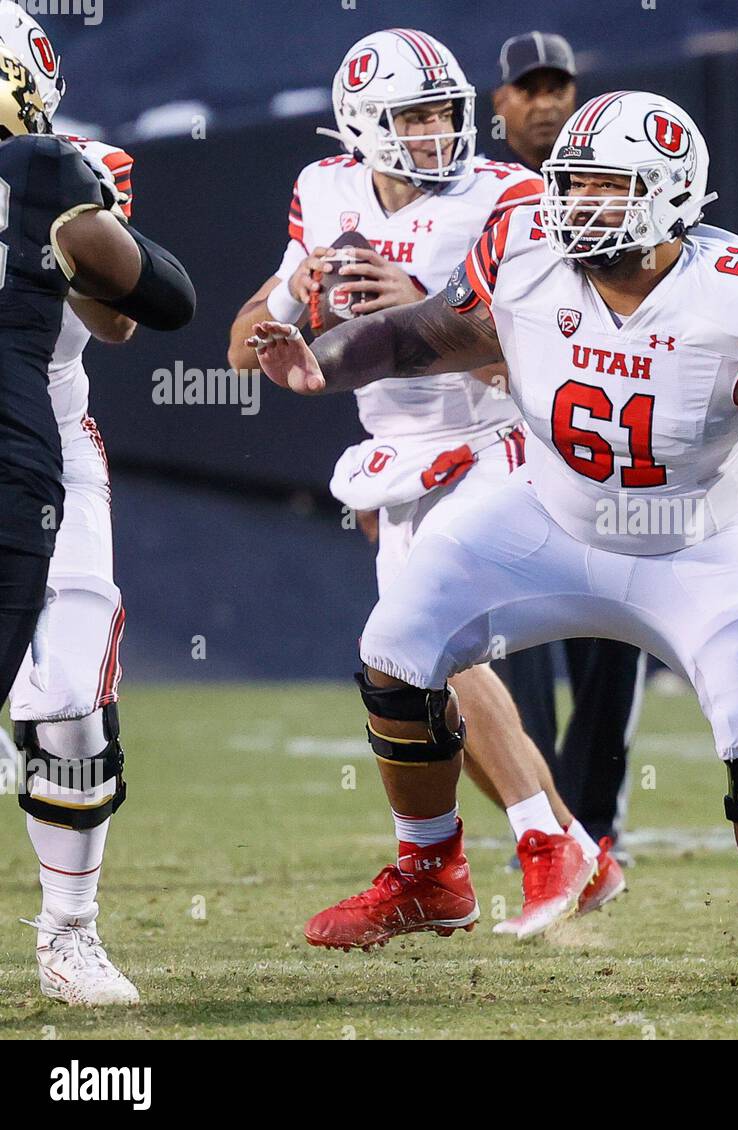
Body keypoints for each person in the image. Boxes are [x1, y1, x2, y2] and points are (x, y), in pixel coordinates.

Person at [250, 90, 738, 988]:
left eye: (604, 187)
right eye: (571, 183)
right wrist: (330, 361)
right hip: (547, 511)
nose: (575, 205)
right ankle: (433, 873)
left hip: (698, 541)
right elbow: (433, 332)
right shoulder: (526, 250)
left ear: (670, 195)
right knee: (395, 644)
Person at [227, 28, 624, 950]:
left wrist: (426, 306)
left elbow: (551, 356)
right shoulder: (324, 192)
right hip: (399, 462)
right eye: (414, 116)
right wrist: (293, 318)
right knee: (420, 673)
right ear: (362, 126)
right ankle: (570, 846)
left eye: (446, 112)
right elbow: (244, 341)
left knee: (427, 645)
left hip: (502, 442)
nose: (440, 131)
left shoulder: (506, 197)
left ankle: (519, 849)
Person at [0, 24, 195, 1007]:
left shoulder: (71, 167)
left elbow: (121, 320)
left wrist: (56, 230)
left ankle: (68, 932)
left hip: (47, 441)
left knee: (72, 697)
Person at [486, 29, 645, 857]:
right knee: (514, 649)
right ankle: (550, 833)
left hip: (607, 450)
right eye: (529, 86)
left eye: (560, 85)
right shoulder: (478, 196)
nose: (547, 99)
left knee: (614, 638)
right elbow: (442, 322)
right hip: (501, 452)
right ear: (499, 101)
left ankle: (595, 823)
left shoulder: (615, 184)